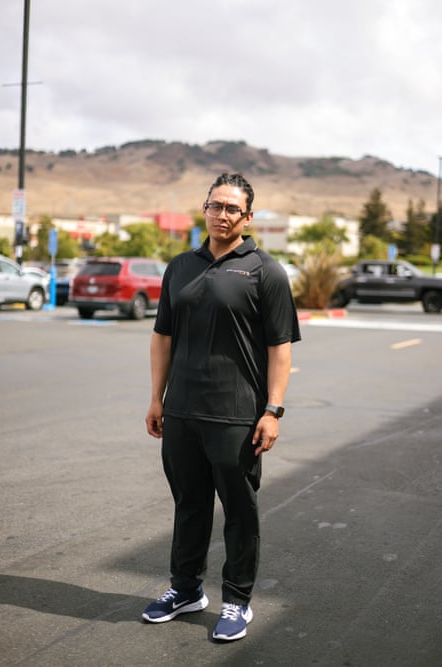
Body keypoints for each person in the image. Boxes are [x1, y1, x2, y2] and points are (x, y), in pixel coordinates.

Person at [142, 172, 300, 641]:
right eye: (216, 205)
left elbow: (280, 347)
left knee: (239, 511)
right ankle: (185, 589)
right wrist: (157, 397)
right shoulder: (180, 266)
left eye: (233, 208)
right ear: (205, 209)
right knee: (189, 505)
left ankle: (237, 601)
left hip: (237, 415)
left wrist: (273, 410)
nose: (223, 214)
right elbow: (162, 337)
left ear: (248, 217)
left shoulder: (263, 270)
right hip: (183, 411)